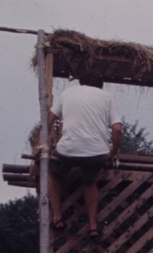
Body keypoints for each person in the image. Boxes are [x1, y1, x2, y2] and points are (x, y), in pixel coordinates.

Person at [48, 73, 122, 239]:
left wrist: (42, 140)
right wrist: (114, 153)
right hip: (97, 153)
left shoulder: (68, 93)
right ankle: (93, 226)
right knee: (90, 182)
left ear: (81, 83)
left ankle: (58, 217)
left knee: (54, 173)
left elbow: (50, 117)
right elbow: (117, 130)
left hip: (68, 150)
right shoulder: (107, 97)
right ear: (101, 86)